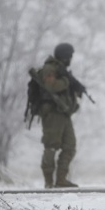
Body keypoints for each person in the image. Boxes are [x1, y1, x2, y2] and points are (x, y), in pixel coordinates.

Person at [37, 43, 80, 188]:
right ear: (64, 56)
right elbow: (50, 86)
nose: (71, 59)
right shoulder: (50, 68)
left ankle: (61, 180)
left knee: (70, 146)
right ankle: (49, 182)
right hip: (53, 113)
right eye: (70, 56)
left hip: (64, 113)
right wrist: (67, 81)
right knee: (51, 146)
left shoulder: (62, 70)